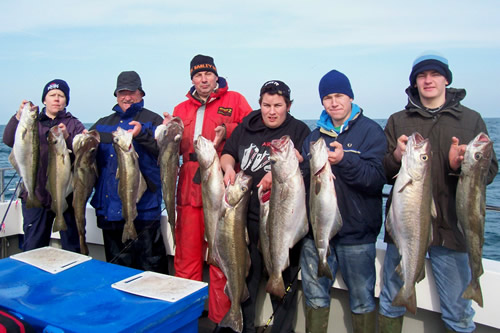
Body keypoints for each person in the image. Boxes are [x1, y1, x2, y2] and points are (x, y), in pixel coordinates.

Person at [378, 52, 498, 333]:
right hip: (404, 228)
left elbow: (490, 172)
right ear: (415, 82)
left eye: (434, 74)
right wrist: (396, 156)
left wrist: (463, 166)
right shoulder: (397, 120)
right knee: (389, 303)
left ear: (446, 79)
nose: (428, 80)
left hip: (452, 230)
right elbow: (381, 174)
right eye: (421, 75)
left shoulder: (471, 121)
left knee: (458, 313)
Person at [163, 55, 252, 327]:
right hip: (188, 186)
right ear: (192, 79)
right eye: (198, 76)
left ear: (216, 76)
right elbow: (172, 149)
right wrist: (167, 132)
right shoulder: (181, 107)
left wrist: (228, 129)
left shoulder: (235, 100)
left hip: (222, 187)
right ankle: (186, 318)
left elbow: (252, 131)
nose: (203, 80)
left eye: (208, 75)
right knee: (186, 257)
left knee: (221, 256)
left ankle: (221, 319)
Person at [220, 80, 311, 332]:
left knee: (282, 289)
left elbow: (306, 166)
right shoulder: (246, 127)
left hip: (283, 224)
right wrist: (227, 167)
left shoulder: (300, 130)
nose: (272, 111)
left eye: (278, 105)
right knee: (246, 283)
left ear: (288, 106)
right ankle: (242, 327)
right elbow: (228, 153)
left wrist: (280, 173)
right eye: (266, 105)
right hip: (246, 221)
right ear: (259, 104)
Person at [300, 70, 387, 333]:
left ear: (350, 97)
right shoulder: (314, 137)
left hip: (357, 237)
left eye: (339, 96)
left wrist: (345, 161)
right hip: (316, 236)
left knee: (361, 301)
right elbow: (305, 182)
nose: (334, 102)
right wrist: (294, 167)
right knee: (314, 297)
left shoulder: (371, 131)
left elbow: (375, 179)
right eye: (327, 97)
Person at [89, 71, 168, 273]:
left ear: (141, 94)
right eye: (122, 92)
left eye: (132, 92)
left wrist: (142, 134)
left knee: (151, 269)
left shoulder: (153, 120)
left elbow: (164, 153)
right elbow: (91, 164)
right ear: (116, 95)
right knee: (117, 271)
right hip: (110, 211)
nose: (127, 97)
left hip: (144, 210)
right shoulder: (102, 123)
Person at [3, 79, 85, 253]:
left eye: (61, 95)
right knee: (33, 247)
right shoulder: (33, 122)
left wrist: (68, 137)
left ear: (66, 101)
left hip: (66, 196)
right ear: (44, 100)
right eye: (52, 95)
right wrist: (18, 117)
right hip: (36, 194)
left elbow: (84, 154)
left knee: (72, 247)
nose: (57, 99)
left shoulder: (74, 124)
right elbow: (9, 140)